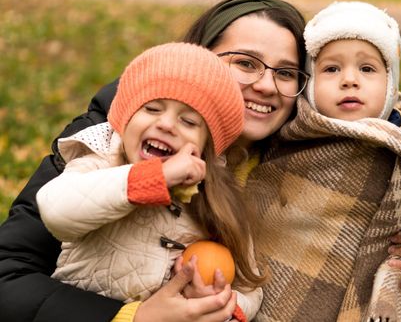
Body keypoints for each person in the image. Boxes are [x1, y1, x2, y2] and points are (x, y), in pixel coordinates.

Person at [0, 0, 401, 322]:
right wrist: (133, 318)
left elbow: (392, 237)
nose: (265, 85)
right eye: (245, 64)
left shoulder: (313, 149)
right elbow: (10, 276)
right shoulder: (123, 129)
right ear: (195, 59)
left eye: (287, 72)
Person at [246, 1, 401, 321]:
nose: (349, 80)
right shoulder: (291, 139)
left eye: (367, 69)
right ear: (311, 82)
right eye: (331, 69)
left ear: (390, 84)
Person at [35, 42, 266, 322]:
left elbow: (249, 286)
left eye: (189, 121)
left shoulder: (216, 202)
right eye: (153, 108)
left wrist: (218, 304)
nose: (167, 124)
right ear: (126, 118)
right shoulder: (100, 163)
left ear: (205, 149)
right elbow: (56, 211)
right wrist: (151, 179)